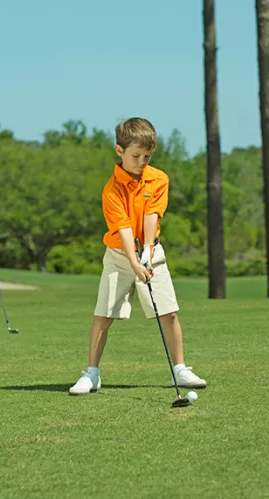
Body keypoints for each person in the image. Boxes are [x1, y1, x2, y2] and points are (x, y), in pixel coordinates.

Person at [69, 118, 207, 395]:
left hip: (151, 251)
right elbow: (122, 229)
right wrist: (133, 261)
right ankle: (92, 374)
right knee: (103, 315)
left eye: (147, 156)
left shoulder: (158, 179)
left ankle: (179, 370)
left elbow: (151, 216)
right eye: (136, 155)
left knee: (168, 312)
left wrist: (147, 251)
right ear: (119, 150)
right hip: (119, 256)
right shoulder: (112, 189)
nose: (142, 161)